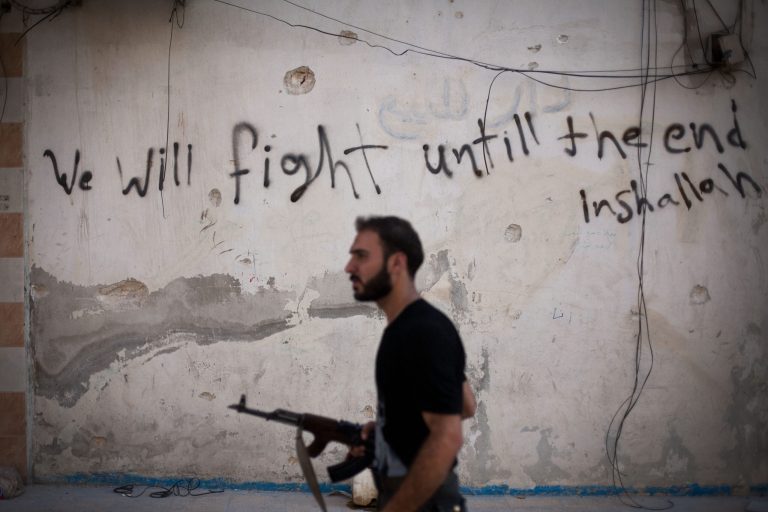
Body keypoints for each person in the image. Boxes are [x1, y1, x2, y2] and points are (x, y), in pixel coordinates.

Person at [345, 216, 477, 512]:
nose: (349, 267)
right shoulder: (416, 326)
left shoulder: (420, 332)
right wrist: (388, 428)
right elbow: (466, 404)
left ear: (396, 263)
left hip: (422, 499)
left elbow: (448, 437)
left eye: (361, 256)